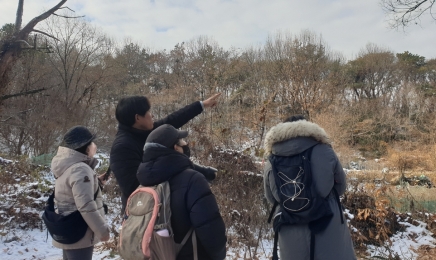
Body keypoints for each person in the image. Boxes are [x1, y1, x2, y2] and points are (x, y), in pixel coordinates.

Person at [263, 115, 356, 260]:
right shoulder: (325, 151)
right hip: (326, 221)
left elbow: (270, 196)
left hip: (289, 225)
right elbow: (341, 186)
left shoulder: (271, 159)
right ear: (308, 128)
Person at [110, 93, 220, 214]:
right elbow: (133, 186)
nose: (152, 115)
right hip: (141, 216)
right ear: (138, 118)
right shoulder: (121, 148)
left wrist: (202, 105)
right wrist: (176, 159)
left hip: (160, 208)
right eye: (148, 112)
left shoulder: (144, 131)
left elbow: (173, 120)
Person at [136, 124, 227, 260]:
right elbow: (211, 230)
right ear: (176, 148)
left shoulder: (143, 183)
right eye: (182, 141)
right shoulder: (192, 180)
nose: (186, 144)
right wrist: (219, 255)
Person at [51, 126, 110, 260]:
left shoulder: (67, 164)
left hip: (68, 227)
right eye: (92, 142)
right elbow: (85, 205)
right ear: (85, 147)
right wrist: (102, 231)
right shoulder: (80, 169)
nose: (95, 146)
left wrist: (98, 184)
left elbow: (71, 193)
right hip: (80, 232)